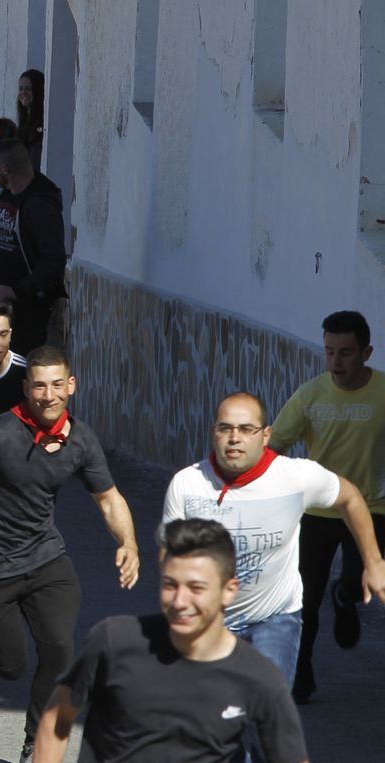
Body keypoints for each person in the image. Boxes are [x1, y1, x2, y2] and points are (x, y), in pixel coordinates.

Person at [0, 346, 140, 763]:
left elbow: (108, 498)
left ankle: (36, 744)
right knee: (9, 666)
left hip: (46, 559)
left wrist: (129, 543)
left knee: (60, 652)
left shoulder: (80, 439)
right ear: (27, 388)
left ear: (71, 386)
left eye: (57, 385)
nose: (49, 395)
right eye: (39, 385)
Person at [161, 393, 385, 702]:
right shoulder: (188, 484)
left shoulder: (294, 477)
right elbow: (169, 555)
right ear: (213, 431)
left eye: (246, 429)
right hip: (208, 618)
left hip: (275, 618)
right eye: (225, 428)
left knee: (262, 709)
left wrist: (373, 562)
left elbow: (350, 498)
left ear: (266, 435)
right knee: (218, 721)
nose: (234, 438)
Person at [35, 519, 311, 763]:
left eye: (196, 588)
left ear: (229, 591)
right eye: (170, 585)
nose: (179, 601)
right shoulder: (114, 641)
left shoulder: (259, 677)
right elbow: (57, 717)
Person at [269, 309, 385, 701]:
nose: (336, 362)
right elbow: (275, 445)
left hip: (371, 510)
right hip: (316, 510)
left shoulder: (384, 393)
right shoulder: (311, 394)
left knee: (356, 583)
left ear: (367, 352)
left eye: (346, 353)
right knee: (304, 598)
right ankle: (299, 676)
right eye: (330, 352)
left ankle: (346, 597)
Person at [0, 139, 66, 353]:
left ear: (5, 169)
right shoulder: (0, 193)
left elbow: (54, 260)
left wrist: (18, 291)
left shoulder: (40, 204)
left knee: (17, 364)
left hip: (25, 307)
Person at [16, 68, 45, 168]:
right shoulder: (23, 125)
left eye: (29, 89)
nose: (23, 93)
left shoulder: (42, 125)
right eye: (21, 88)